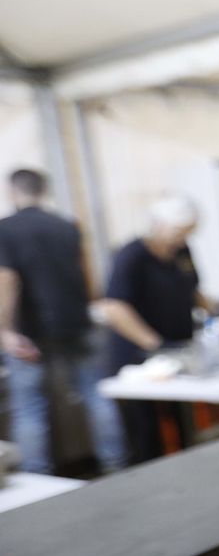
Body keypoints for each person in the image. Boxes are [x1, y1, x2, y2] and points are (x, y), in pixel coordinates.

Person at [0, 169, 128, 476]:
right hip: (76, 323)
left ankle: (37, 478)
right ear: (43, 190)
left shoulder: (5, 229)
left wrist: (5, 330)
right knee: (97, 396)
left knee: (30, 408)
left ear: (12, 191)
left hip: (30, 331)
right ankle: (116, 464)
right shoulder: (66, 226)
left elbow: (7, 279)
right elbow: (84, 273)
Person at [100, 195, 208, 463]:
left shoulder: (182, 251)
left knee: (182, 418)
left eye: (187, 232)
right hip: (140, 355)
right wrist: (154, 344)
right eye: (177, 232)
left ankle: (188, 466)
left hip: (178, 349)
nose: (182, 238)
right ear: (157, 226)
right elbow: (114, 307)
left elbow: (191, 288)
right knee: (146, 429)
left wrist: (218, 313)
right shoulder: (132, 256)